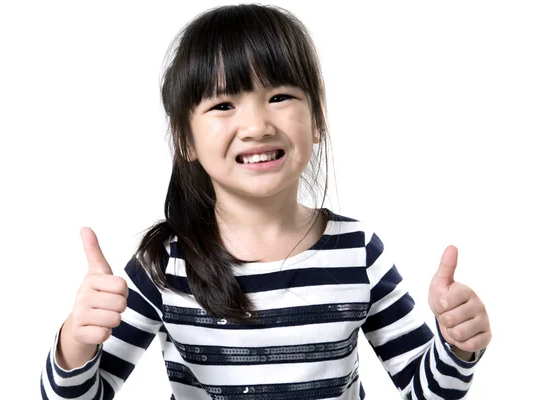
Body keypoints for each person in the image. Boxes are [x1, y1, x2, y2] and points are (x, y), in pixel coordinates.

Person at [40, 3, 491, 399]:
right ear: (185, 139)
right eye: (223, 105)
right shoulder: (164, 265)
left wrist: (457, 345)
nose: (256, 125)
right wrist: (75, 342)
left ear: (316, 121)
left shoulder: (358, 250)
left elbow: (428, 390)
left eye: (279, 97)